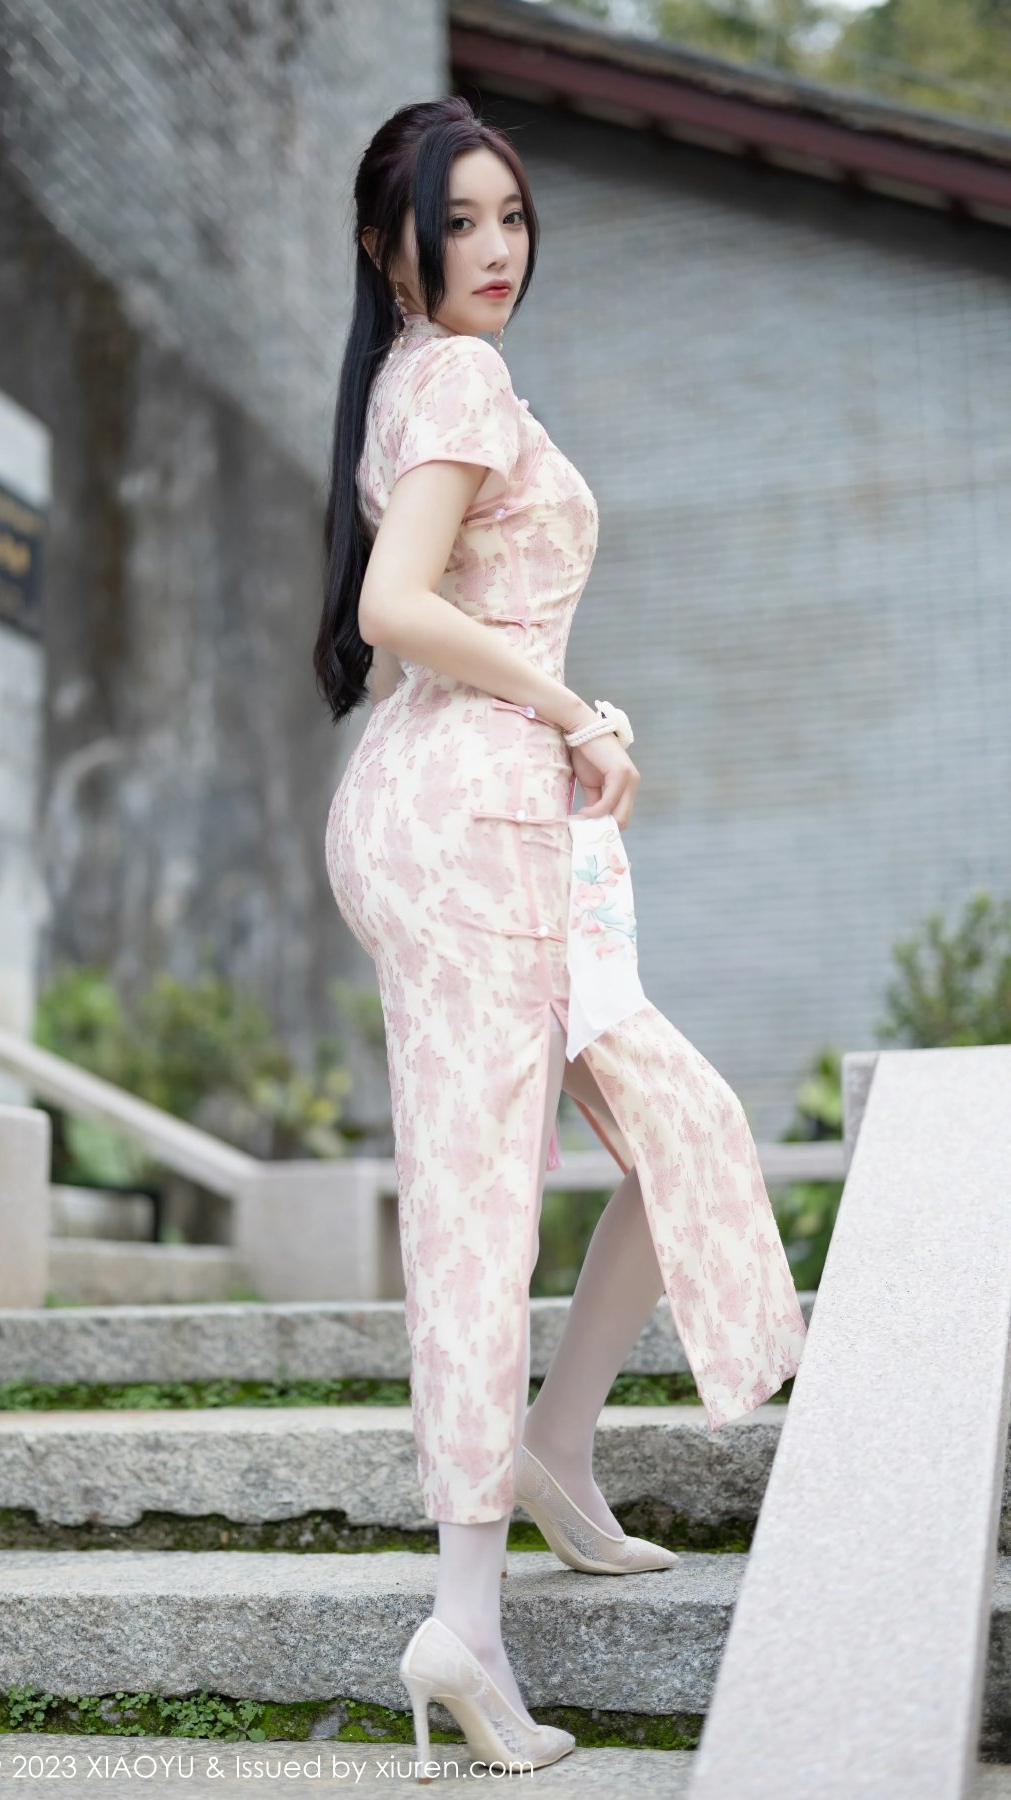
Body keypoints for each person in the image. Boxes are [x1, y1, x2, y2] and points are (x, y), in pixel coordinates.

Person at [314, 95, 808, 1778]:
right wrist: (571, 705)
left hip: (472, 807)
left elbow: (430, 611)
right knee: (478, 1204)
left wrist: (562, 719)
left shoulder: (420, 380)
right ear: (389, 246)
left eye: (512, 214)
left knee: (678, 1125)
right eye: (458, 221)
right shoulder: (452, 377)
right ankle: (465, 1618)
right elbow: (395, 608)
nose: (497, 247)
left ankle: (554, 1448)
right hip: (468, 821)